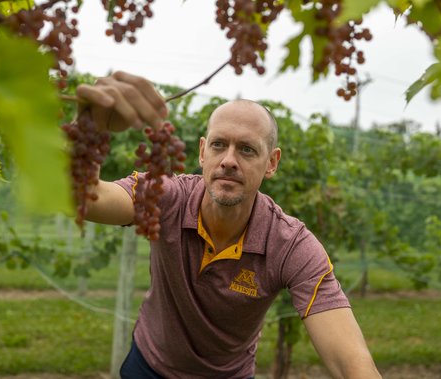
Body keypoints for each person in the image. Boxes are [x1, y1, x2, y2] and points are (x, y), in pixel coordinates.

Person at [76, 71, 382, 379]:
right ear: (202, 152)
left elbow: (351, 365)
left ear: (272, 163)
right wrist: (90, 130)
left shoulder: (290, 246)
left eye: (247, 149)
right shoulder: (167, 197)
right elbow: (90, 199)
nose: (229, 160)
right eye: (219, 145)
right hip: (149, 367)